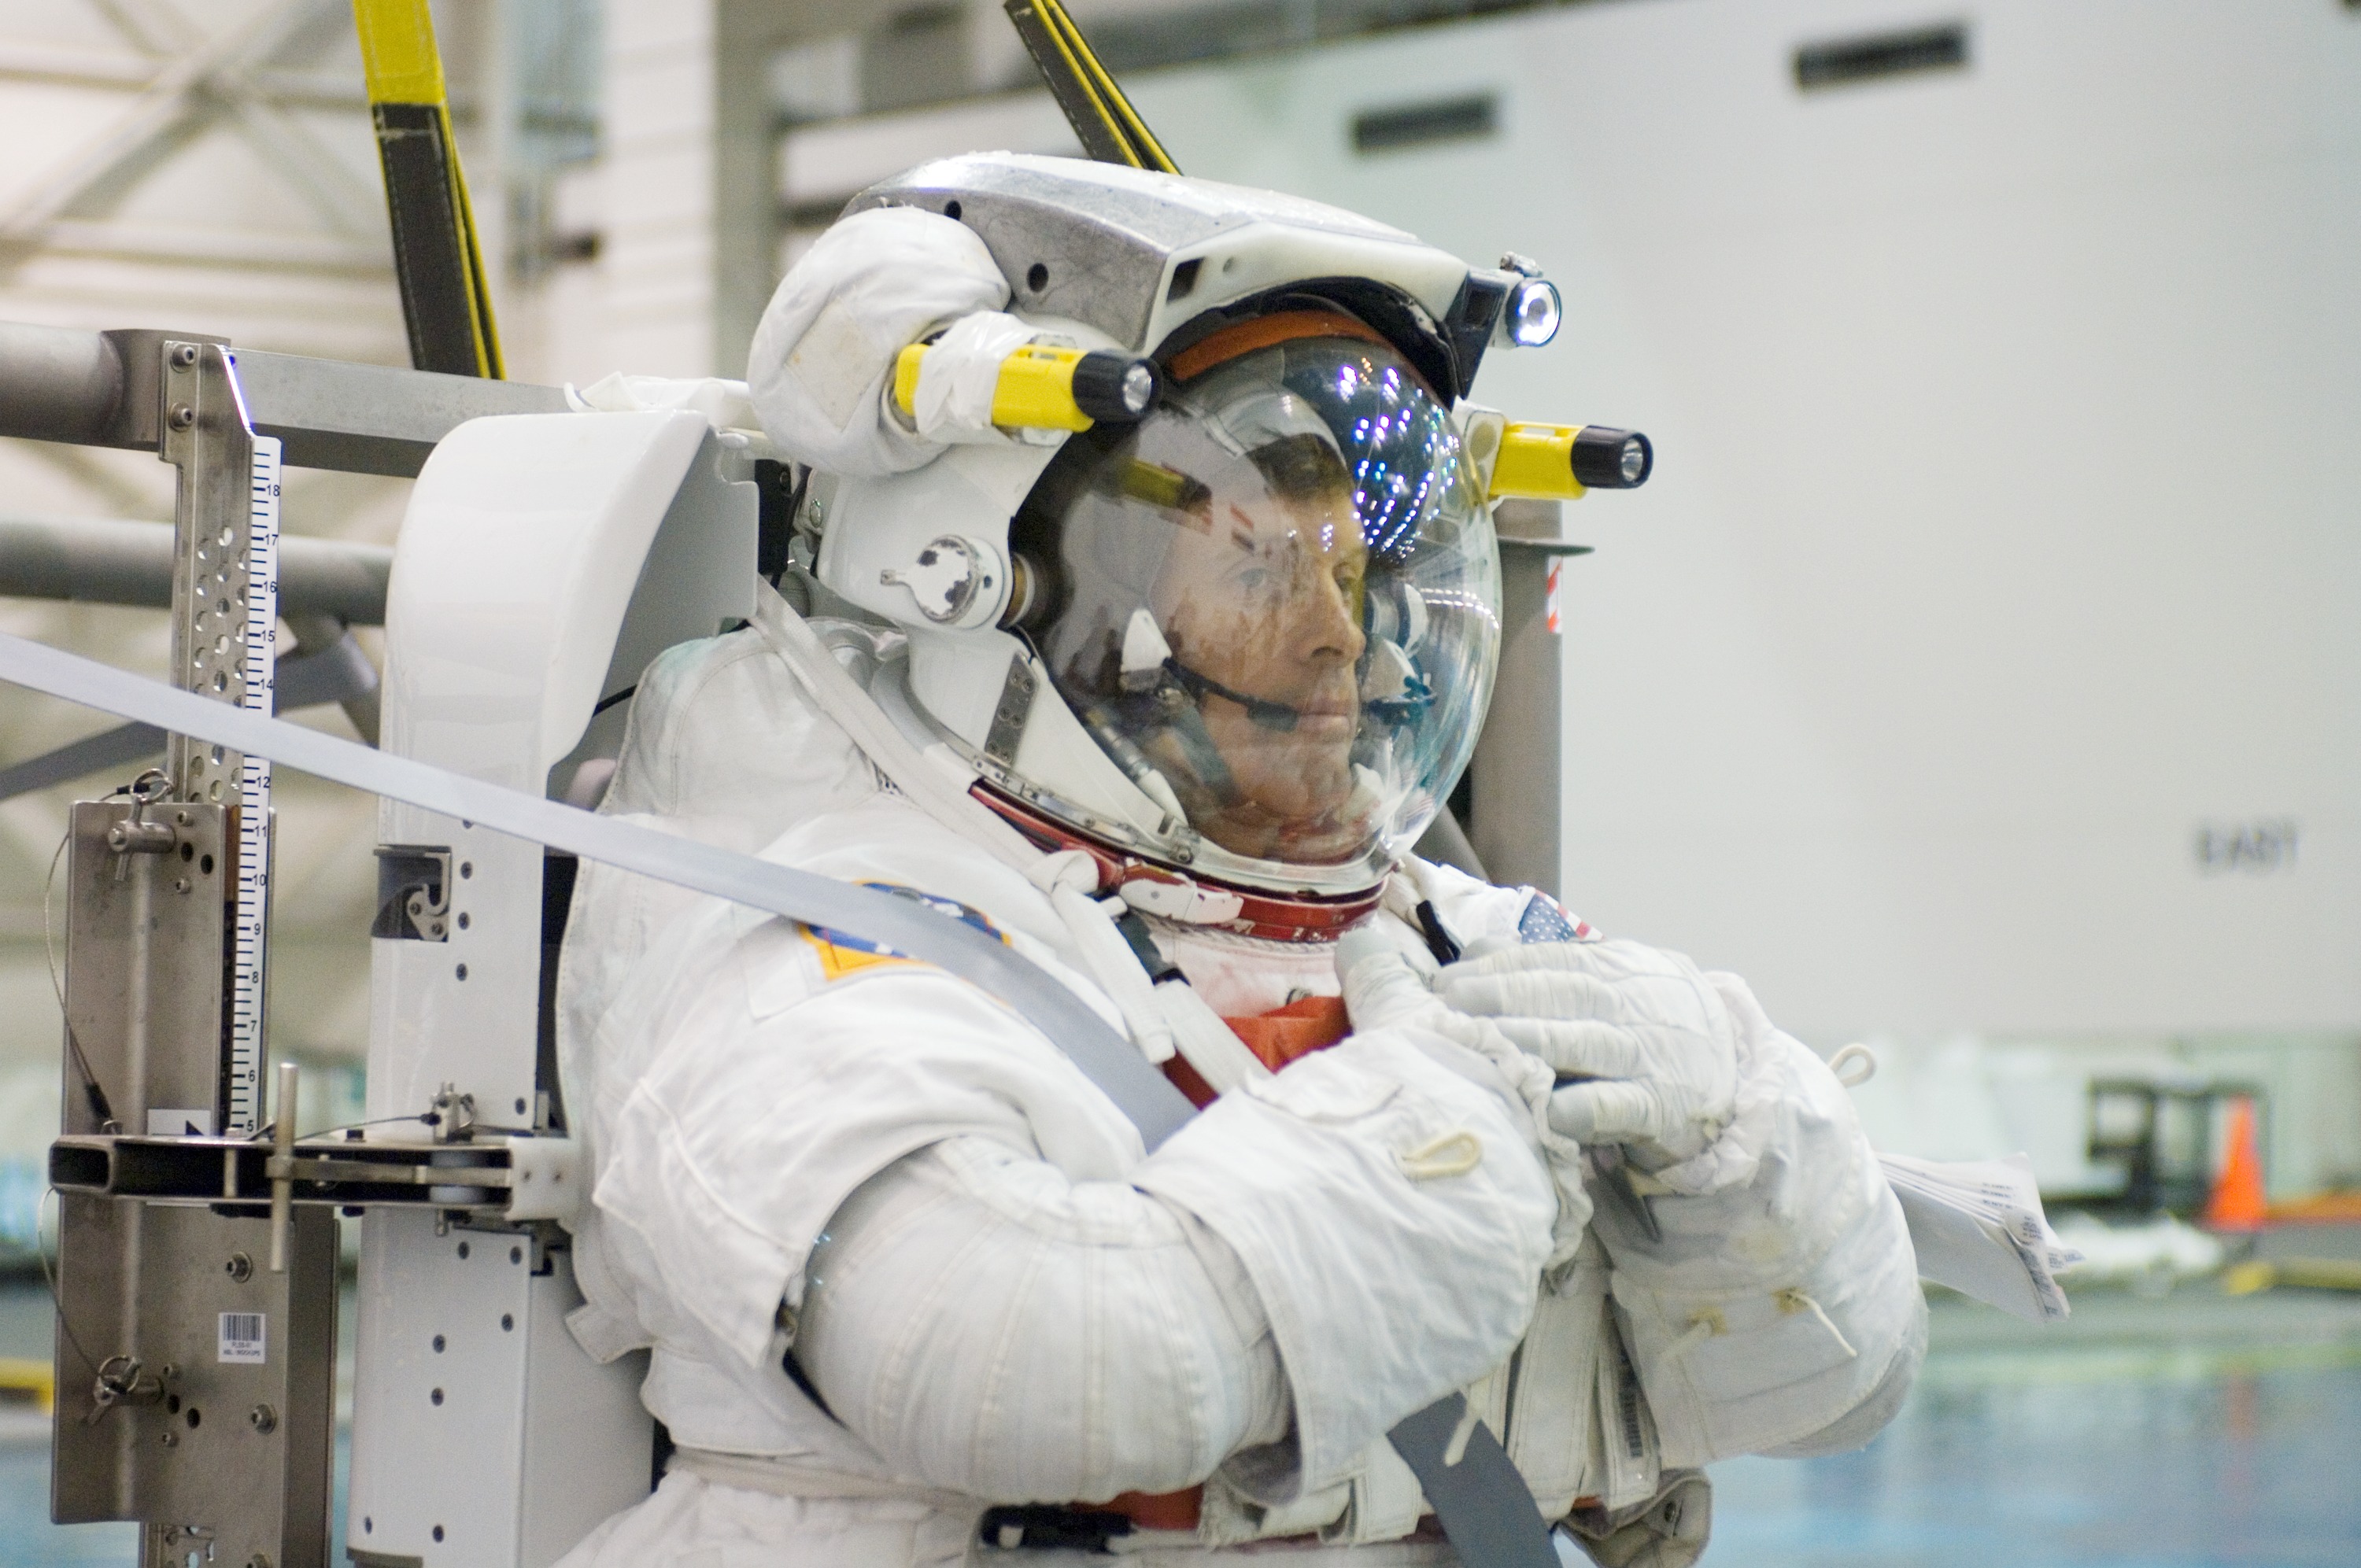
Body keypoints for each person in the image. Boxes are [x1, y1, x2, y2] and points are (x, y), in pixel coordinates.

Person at [552, 153, 1923, 1568]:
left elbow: (1841, 1386)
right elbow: (1012, 1357)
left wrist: (1751, 1123)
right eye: (1267, 573)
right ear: (996, 585)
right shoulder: (836, 934)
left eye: (1352, 578)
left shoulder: (1439, 934)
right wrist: (1424, 1146)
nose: (1345, 641)